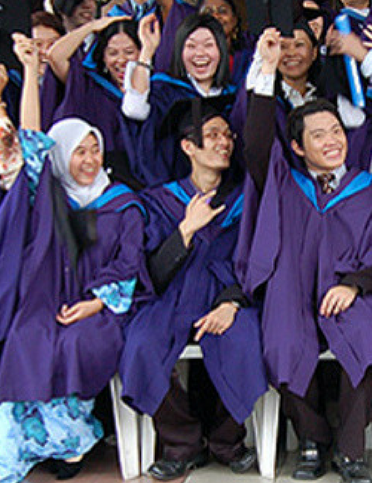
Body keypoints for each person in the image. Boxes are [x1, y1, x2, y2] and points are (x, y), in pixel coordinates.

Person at [0, 34, 151, 483]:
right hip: (50, 298)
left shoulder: (122, 201)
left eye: (95, 149)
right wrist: (32, 75)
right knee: (28, 335)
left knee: (76, 342)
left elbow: (130, 262)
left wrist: (97, 302)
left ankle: (71, 448)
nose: (91, 159)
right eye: (80, 150)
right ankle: (20, 450)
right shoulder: (50, 198)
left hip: (102, 306)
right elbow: (32, 139)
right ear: (62, 155)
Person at [236, 30, 372, 483]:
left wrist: (356, 284)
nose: (332, 141)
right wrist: (265, 71)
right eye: (318, 135)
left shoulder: (370, 188)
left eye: (337, 132)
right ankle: (311, 437)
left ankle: (349, 448)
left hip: (354, 292)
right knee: (280, 340)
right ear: (299, 147)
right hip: (295, 291)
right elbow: (258, 145)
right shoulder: (285, 183)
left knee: (370, 336)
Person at [118, 101, 267, 480]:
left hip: (225, 294)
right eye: (213, 135)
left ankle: (227, 441)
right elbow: (149, 271)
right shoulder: (159, 200)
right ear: (189, 147)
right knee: (141, 343)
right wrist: (186, 230)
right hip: (173, 296)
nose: (224, 143)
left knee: (244, 340)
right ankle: (181, 442)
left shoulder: (244, 198)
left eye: (227, 136)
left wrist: (233, 301)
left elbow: (257, 257)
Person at [122, 13, 238, 186]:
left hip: (227, 192)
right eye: (191, 46)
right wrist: (147, 51)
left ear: (221, 49)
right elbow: (134, 109)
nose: (200, 54)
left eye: (208, 45)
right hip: (174, 192)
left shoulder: (232, 95)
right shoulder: (165, 90)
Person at [44, 16, 142, 186]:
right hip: (98, 181)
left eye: (129, 52)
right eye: (112, 53)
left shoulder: (154, 90)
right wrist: (91, 27)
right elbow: (55, 56)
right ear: (103, 56)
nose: (121, 60)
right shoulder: (90, 87)